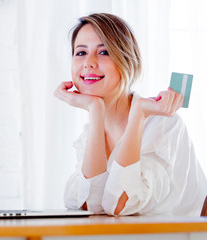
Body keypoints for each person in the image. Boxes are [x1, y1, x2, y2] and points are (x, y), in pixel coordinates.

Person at [54, 13, 207, 216]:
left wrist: (138, 114)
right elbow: (92, 205)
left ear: (127, 61)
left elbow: (120, 205)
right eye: (80, 53)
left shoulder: (164, 124)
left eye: (104, 52)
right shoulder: (89, 132)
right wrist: (95, 110)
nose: (88, 63)